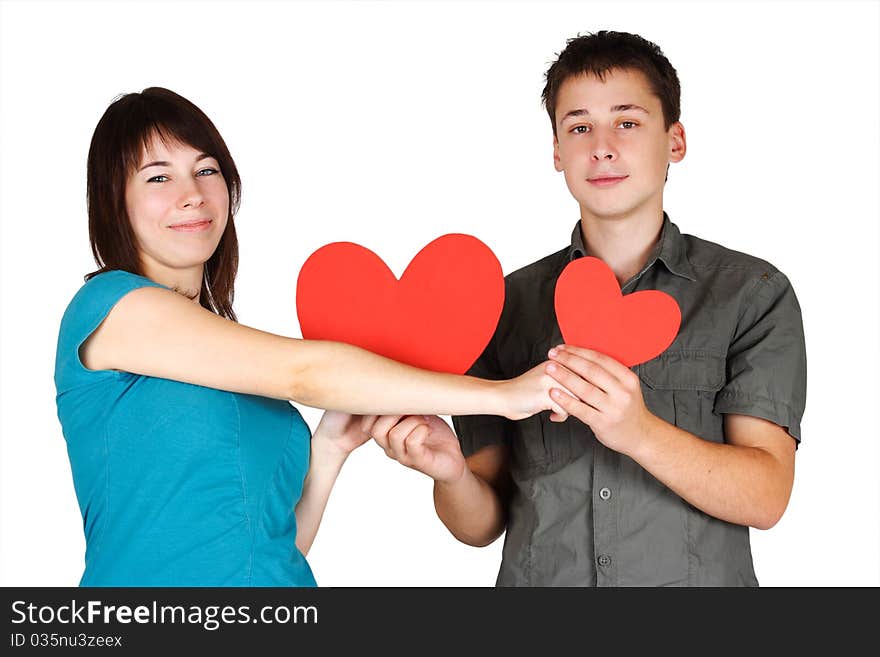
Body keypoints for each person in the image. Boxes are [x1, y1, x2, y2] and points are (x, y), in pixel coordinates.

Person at [54, 87, 568, 587]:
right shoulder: (111, 309)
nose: (191, 195)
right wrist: (505, 396)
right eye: (158, 177)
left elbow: (271, 549)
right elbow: (303, 373)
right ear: (114, 200)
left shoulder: (223, 351)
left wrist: (329, 448)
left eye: (206, 170)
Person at [363, 31, 807, 586]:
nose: (602, 147)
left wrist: (639, 432)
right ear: (556, 151)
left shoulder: (752, 295)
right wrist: (450, 475)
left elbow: (766, 497)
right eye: (579, 127)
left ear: (675, 140)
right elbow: (479, 525)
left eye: (627, 122)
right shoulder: (505, 305)